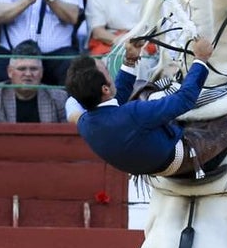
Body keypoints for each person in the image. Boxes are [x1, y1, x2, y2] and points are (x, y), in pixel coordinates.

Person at [65, 36, 217, 177]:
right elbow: (185, 99)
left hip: (148, 167)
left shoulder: (85, 122)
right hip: (176, 156)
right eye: (106, 70)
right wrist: (200, 60)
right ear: (105, 89)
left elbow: (114, 103)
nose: (109, 70)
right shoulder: (133, 113)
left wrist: (130, 61)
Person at [0, 39, 68, 123]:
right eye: (22, 69)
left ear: (41, 72)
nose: (28, 74)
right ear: (10, 72)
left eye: (33, 69)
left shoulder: (59, 98)